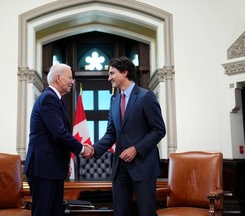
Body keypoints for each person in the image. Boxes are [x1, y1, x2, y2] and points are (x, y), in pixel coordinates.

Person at [93, 56, 166, 216]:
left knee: (147, 212)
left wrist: (136, 149)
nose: (109, 77)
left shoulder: (146, 96)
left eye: (112, 73)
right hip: (120, 168)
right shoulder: (114, 100)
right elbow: (111, 134)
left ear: (125, 72)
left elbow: (159, 130)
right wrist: (93, 150)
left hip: (144, 166)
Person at [24, 63, 94, 216]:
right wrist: (82, 148)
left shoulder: (55, 99)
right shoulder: (49, 98)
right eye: (69, 77)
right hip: (43, 169)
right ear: (57, 78)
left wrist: (63, 163)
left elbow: (54, 137)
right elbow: (59, 133)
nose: (72, 81)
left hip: (51, 168)